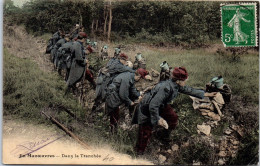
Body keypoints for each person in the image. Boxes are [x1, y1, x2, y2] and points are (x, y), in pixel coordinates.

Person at [132, 67, 217, 154]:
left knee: (173, 118)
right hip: (147, 107)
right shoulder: (165, 88)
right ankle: (139, 152)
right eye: (184, 80)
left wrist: (206, 94)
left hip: (160, 105)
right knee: (145, 131)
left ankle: (163, 136)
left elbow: (189, 90)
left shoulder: (176, 85)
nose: (185, 81)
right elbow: (153, 106)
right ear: (178, 80)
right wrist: (158, 119)